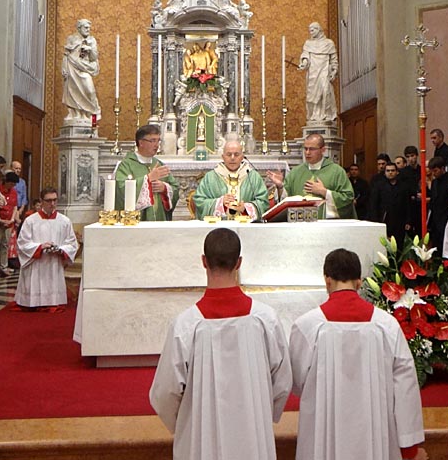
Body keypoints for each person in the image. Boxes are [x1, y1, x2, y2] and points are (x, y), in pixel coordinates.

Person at [149, 228, 291, 460]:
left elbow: (166, 392)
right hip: (252, 435)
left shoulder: (186, 325)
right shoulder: (266, 319)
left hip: (201, 439)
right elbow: (282, 381)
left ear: (204, 261)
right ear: (239, 263)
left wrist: (186, 422)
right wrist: (260, 412)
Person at [289, 248, 426, 460]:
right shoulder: (386, 324)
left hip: (324, 428)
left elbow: (297, 381)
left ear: (327, 280)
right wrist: (409, 444)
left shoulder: (307, 325)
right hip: (373, 430)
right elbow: (405, 384)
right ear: (359, 282)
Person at [15, 187, 79, 309]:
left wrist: (61, 249)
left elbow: (72, 243)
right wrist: (40, 247)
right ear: (41, 201)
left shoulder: (64, 221)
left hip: (54, 262)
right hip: (36, 262)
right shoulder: (30, 220)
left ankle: (52, 301)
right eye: (49, 200)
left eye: (55, 200)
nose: (52, 203)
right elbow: (22, 243)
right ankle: (33, 302)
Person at [268, 134, 354, 218]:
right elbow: (284, 202)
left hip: (325, 224)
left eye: (312, 149)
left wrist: (324, 192)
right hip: (300, 223)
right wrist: (280, 186)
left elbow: (348, 198)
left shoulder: (336, 171)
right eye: (305, 148)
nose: (307, 152)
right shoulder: (296, 172)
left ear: (323, 150)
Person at [115, 124, 180, 221]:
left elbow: (175, 188)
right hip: (136, 221)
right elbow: (121, 189)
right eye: (152, 140)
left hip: (159, 220)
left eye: (158, 140)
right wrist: (148, 179)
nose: (157, 145)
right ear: (141, 142)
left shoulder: (159, 164)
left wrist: (164, 188)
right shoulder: (126, 165)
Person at [193, 139, 269, 219]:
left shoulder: (253, 177)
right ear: (223, 157)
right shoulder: (210, 177)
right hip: (219, 225)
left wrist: (245, 208)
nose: (232, 158)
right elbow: (199, 201)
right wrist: (220, 203)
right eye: (229, 154)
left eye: (236, 154)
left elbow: (263, 202)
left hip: (245, 224)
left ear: (242, 157)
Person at [62, 18, 102, 123]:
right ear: (79, 28)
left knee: (90, 90)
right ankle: (76, 114)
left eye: (89, 28)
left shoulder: (92, 40)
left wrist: (90, 49)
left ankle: (92, 116)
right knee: (72, 91)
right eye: (86, 27)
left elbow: (94, 58)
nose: (88, 29)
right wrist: (64, 67)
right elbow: (66, 54)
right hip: (72, 67)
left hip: (85, 68)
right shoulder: (71, 39)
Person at [369, 162, 418, 246]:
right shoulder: (379, 186)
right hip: (384, 220)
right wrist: (375, 222)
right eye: (388, 171)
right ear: (385, 173)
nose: (390, 172)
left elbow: (408, 204)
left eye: (392, 170)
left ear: (397, 172)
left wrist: (408, 221)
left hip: (400, 221)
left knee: (399, 245)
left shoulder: (404, 186)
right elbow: (374, 205)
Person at [299, 22, 339, 123]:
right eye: (310, 30)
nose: (311, 32)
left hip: (324, 71)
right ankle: (315, 115)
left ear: (318, 29)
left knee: (325, 90)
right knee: (313, 94)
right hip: (313, 72)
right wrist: (304, 63)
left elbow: (334, 59)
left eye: (313, 30)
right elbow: (305, 55)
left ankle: (326, 115)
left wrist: (334, 70)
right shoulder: (308, 44)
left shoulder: (329, 43)